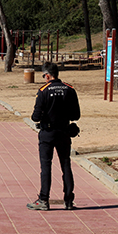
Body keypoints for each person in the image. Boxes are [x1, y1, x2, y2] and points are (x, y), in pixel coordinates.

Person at [27, 62, 81, 211]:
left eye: (44, 76)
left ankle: (44, 199)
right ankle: (69, 200)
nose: (44, 78)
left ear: (48, 75)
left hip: (47, 134)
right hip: (64, 132)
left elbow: (35, 117)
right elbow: (76, 115)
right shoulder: (69, 89)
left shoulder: (43, 91)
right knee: (66, 166)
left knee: (46, 167)